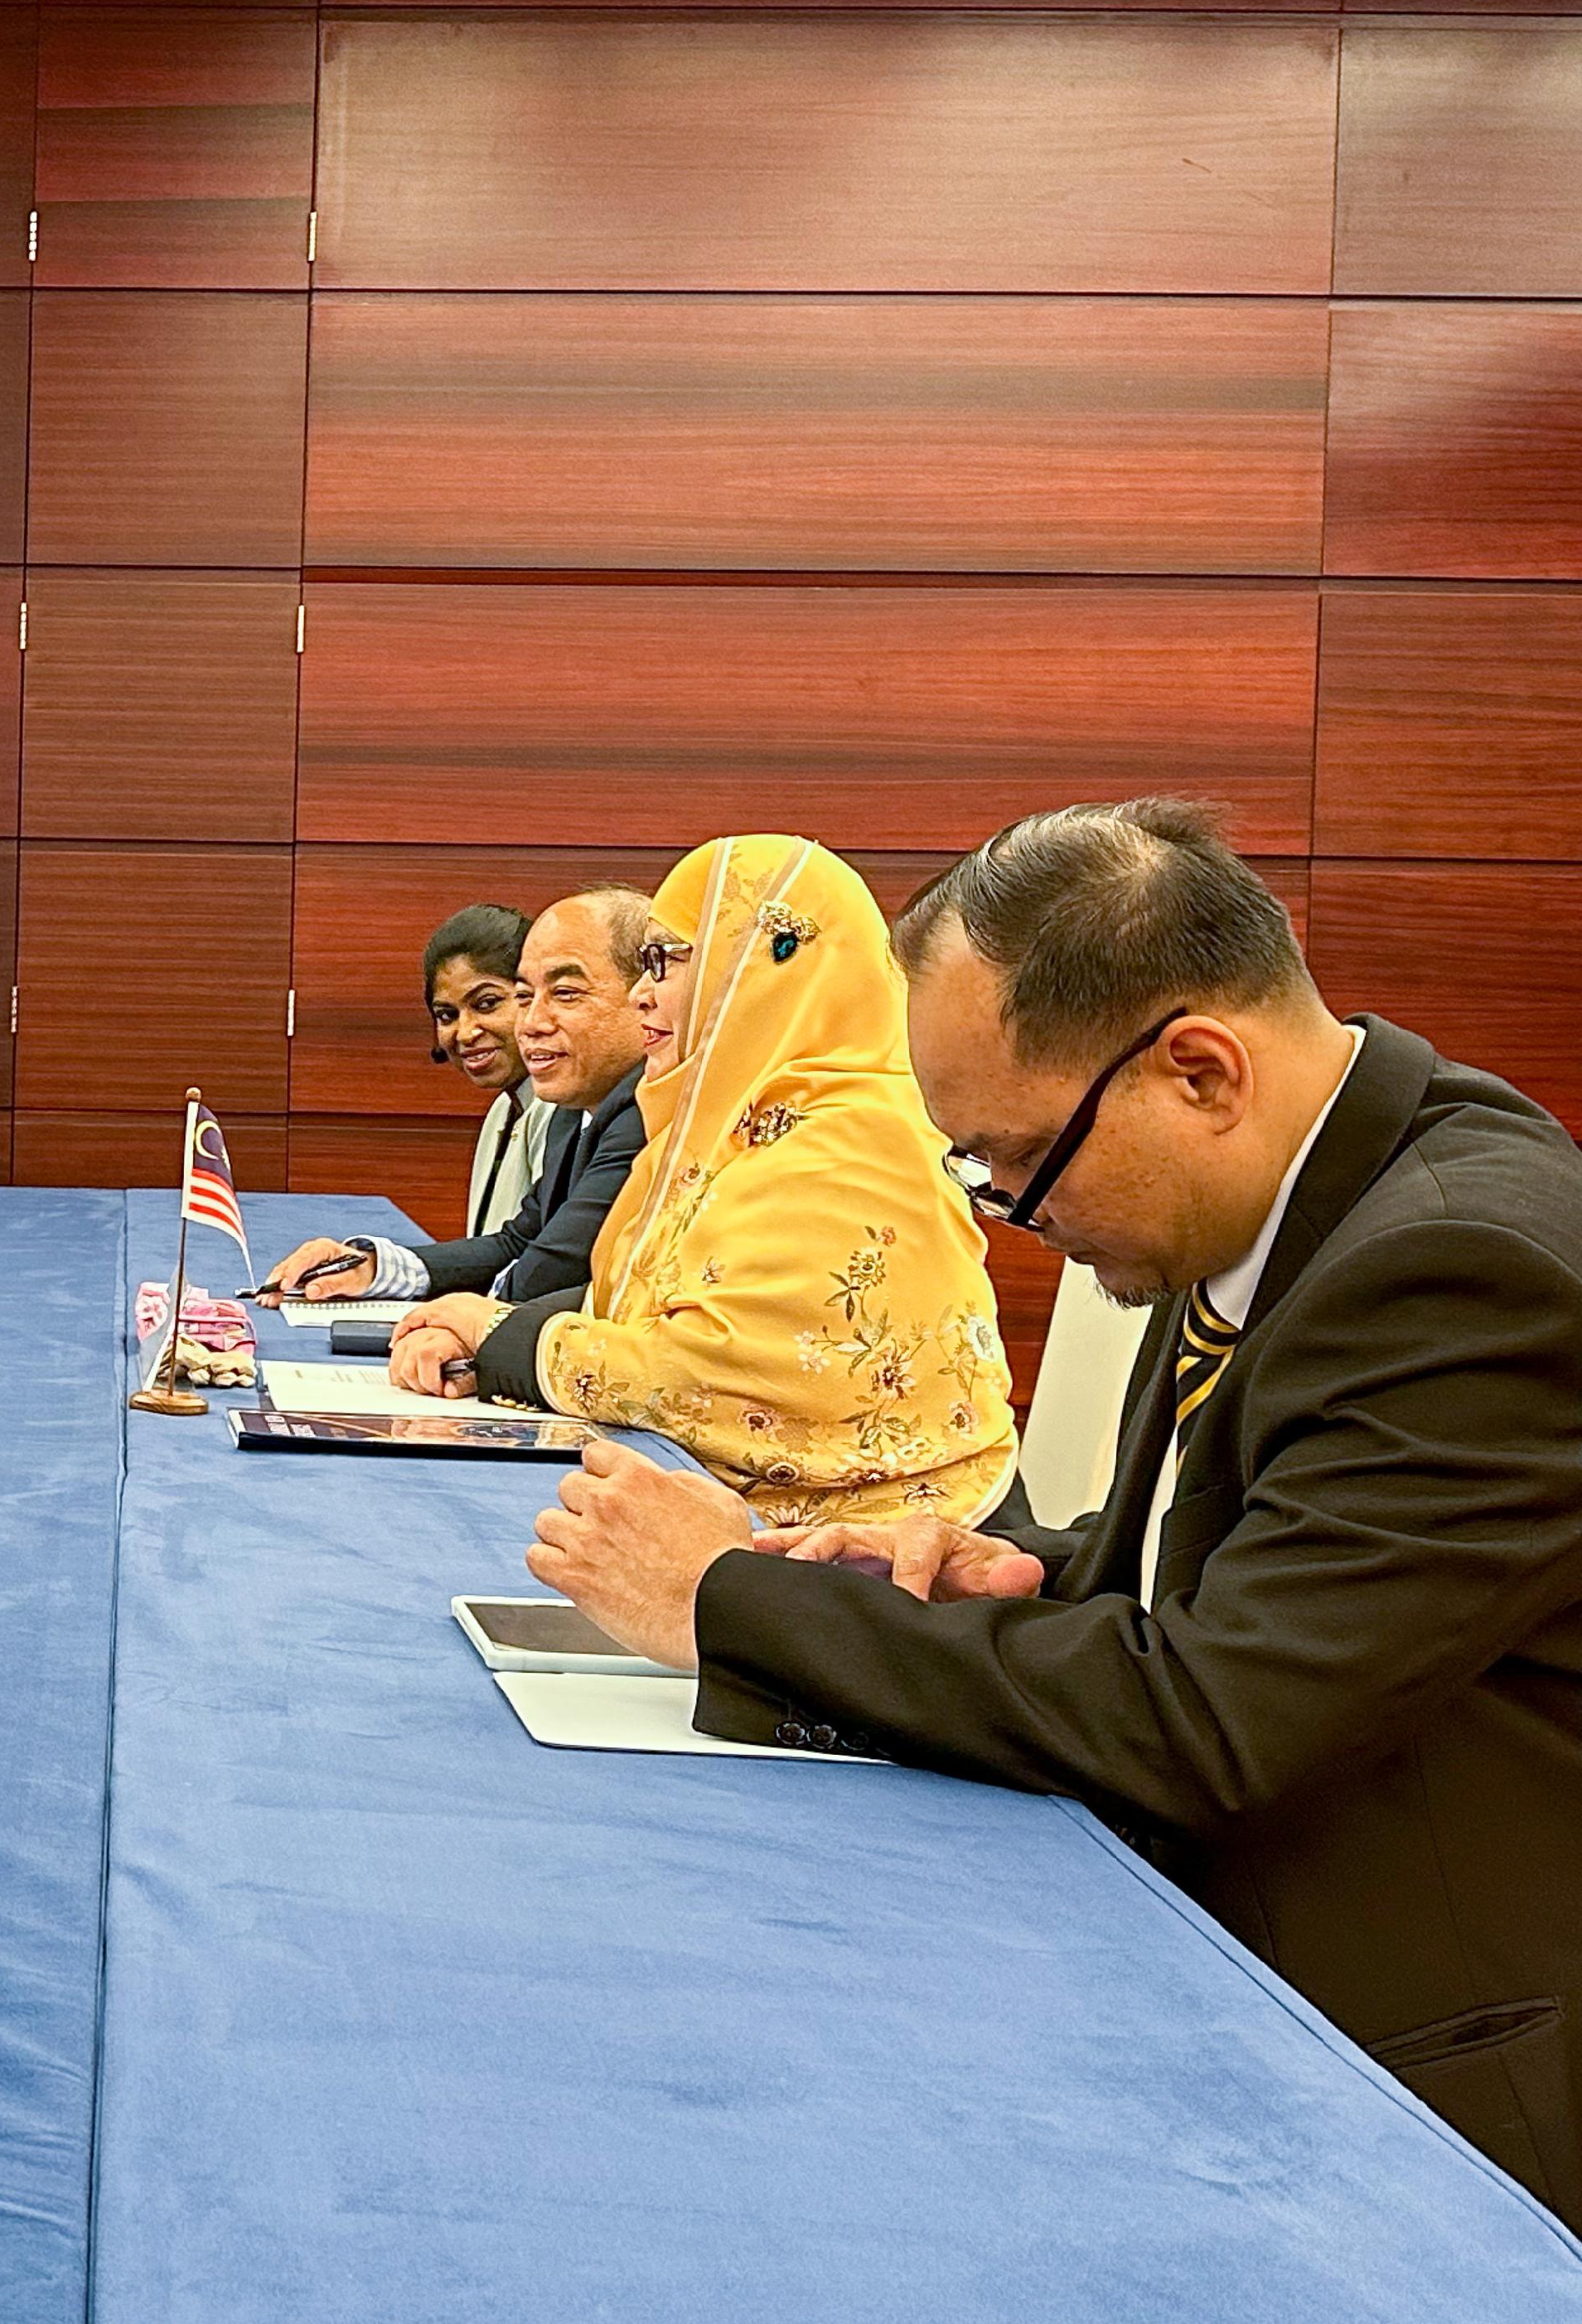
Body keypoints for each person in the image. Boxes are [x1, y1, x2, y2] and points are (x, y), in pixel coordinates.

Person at [520, 799, 1582, 2221]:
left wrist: (733, 1601)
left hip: (1406, 2092)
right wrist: (1009, 1565)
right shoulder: (1297, 1185)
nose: (1013, 1209)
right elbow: (1258, 1550)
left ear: (1198, 1070)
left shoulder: (1458, 1266)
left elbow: (1216, 1719)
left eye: (1018, 1157)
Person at [390, 834, 1017, 1527]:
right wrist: (490, 1336)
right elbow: (634, 1307)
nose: (641, 996)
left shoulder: (850, 1139)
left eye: (665, 964)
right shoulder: (727, 1124)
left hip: (903, 1555)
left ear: (759, 967)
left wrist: (501, 1338)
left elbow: (714, 1376)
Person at [264, 887, 652, 1307]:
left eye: (565, 993)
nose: (532, 1023)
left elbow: (554, 1273)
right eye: (525, 997)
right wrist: (372, 1268)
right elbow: (518, 1242)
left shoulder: (646, 1112)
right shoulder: (574, 1112)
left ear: (647, 998)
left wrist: (461, 1320)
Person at [423, 902, 554, 1237]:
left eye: (486, 1004)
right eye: (447, 1015)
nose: (465, 1033)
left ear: (532, 998)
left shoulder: (561, 1109)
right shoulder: (503, 1108)